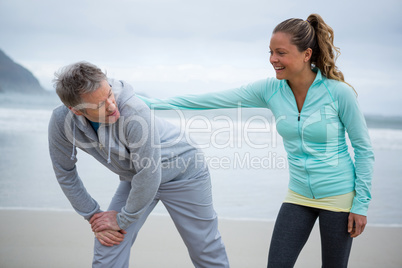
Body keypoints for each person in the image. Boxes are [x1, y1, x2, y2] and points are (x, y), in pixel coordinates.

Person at [138, 13, 375, 267]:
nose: (273, 59)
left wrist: (360, 204)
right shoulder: (270, 90)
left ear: (307, 54)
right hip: (298, 195)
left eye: (281, 53)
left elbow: (363, 149)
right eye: (271, 52)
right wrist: (148, 104)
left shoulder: (339, 93)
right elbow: (211, 100)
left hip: (339, 197)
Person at [48, 61, 229, 268]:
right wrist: (94, 216)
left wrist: (122, 219)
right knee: (108, 244)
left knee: (204, 247)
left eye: (109, 94)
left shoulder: (134, 112)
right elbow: (65, 172)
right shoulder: (61, 122)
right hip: (138, 179)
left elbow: (149, 173)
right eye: (99, 105)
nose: (112, 106)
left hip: (185, 173)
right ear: (77, 111)